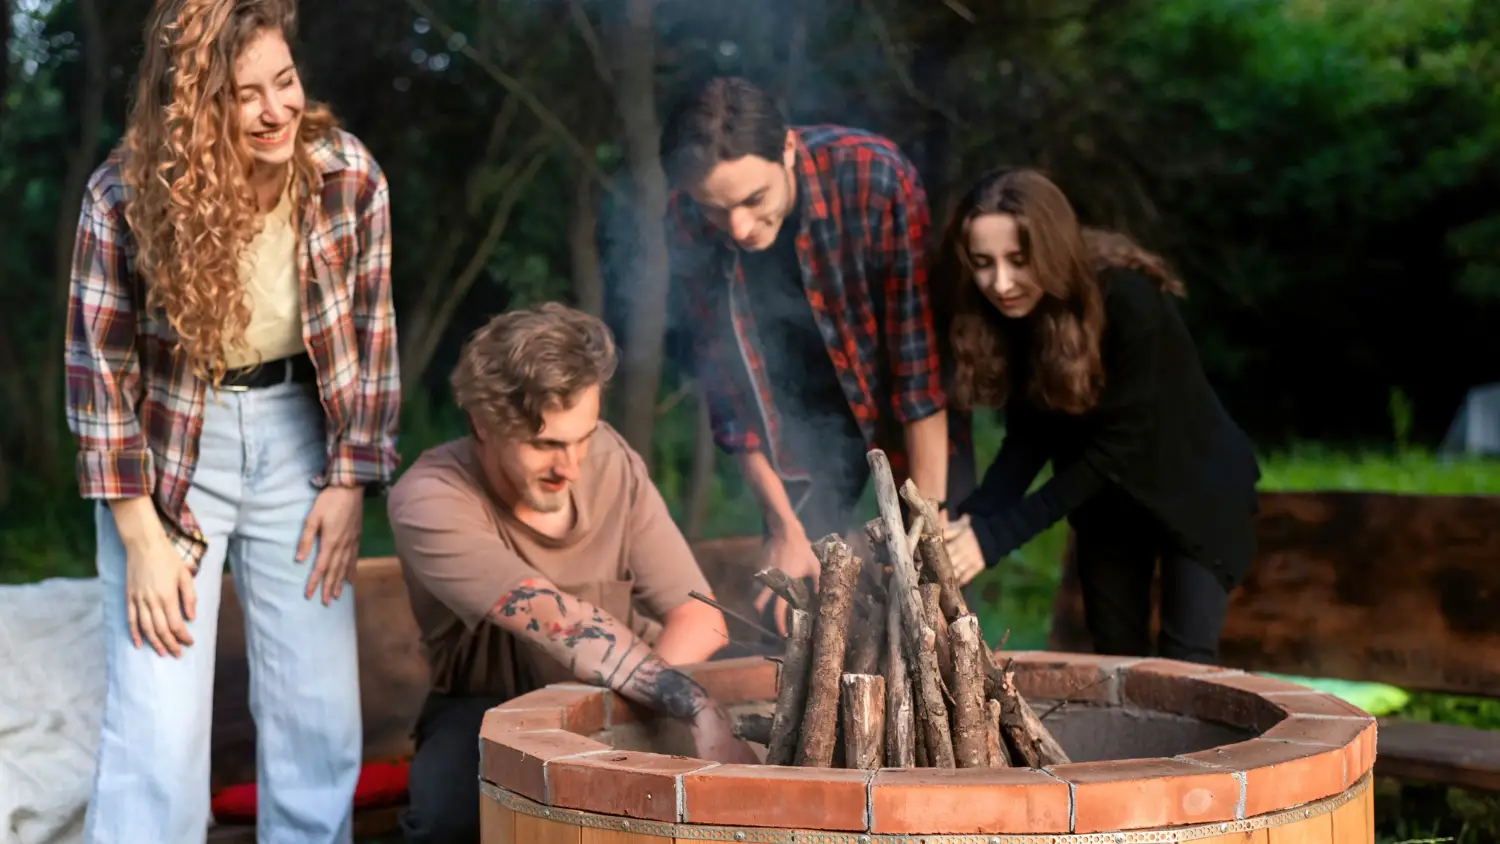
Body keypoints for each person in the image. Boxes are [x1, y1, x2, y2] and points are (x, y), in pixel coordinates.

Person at [63, 0, 400, 841]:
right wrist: (140, 535)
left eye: (284, 81)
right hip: (174, 452)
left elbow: (373, 331)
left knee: (317, 716)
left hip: (302, 441)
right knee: (158, 725)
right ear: (194, 108)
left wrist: (352, 479)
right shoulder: (124, 197)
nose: (276, 108)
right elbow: (98, 374)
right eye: (245, 95)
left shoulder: (347, 175)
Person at [386, 303, 754, 844]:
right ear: (482, 426)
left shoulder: (611, 460)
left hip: (634, 686)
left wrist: (631, 711)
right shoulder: (429, 499)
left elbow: (700, 615)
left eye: (583, 436)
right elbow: (561, 623)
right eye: (546, 445)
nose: (572, 466)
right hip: (488, 709)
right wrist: (697, 706)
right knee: (450, 817)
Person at [659, 75, 977, 618]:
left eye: (753, 199)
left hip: (901, 424)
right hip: (796, 440)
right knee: (801, 614)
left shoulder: (874, 178)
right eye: (716, 209)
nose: (736, 227)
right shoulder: (688, 218)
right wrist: (785, 527)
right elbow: (730, 400)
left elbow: (918, 373)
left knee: (923, 607)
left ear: (786, 146)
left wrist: (927, 524)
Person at [938, 168, 1261, 664]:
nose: (1000, 284)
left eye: (1018, 261)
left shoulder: (1130, 302)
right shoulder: (1015, 314)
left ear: (1049, 249)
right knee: (1115, 663)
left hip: (1196, 492)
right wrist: (969, 520)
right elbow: (1029, 441)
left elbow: (1116, 449)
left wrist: (995, 538)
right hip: (1106, 502)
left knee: (1184, 667)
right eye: (983, 263)